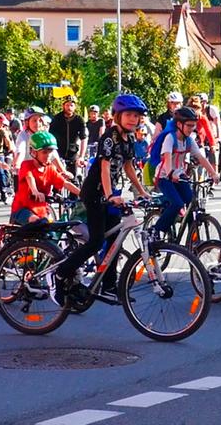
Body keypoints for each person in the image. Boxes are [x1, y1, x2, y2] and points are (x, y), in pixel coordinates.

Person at [52, 94, 151, 305]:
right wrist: (109, 196)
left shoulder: (130, 138)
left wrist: (142, 191)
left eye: (136, 115)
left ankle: (108, 286)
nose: (133, 119)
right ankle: (60, 275)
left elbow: (128, 166)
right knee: (96, 241)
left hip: (110, 193)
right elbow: (105, 168)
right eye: (129, 115)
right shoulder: (109, 137)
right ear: (117, 116)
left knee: (115, 238)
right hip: (95, 193)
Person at [152, 107, 219, 240]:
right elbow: (166, 158)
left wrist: (213, 173)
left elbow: (201, 158)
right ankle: (156, 231)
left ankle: (192, 238)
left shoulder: (189, 140)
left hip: (180, 176)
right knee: (177, 204)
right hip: (165, 177)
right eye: (189, 125)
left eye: (194, 125)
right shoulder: (170, 138)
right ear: (179, 124)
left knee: (191, 203)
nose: (192, 128)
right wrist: (171, 173)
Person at [10, 131, 80, 225]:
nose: (48, 155)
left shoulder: (50, 168)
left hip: (41, 211)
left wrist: (83, 193)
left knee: (52, 233)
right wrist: (35, 191)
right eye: (44, 152)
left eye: (51, 152)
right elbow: (29, 178)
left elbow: (65, 183)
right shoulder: (26, 165)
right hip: (22, 209)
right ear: (34, 152)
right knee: (36, 222)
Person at [49, 96, 87, 178]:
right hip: (58, 153)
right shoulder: (57, 118)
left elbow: (84, 138)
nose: (69, 107)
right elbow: (50, 136)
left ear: (75, 107)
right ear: (63, 106)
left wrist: (81, 156)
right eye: (67, 105)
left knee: (73, 180)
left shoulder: (79, 120)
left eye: (71, 105)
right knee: (55, 181)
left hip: (72, 153)